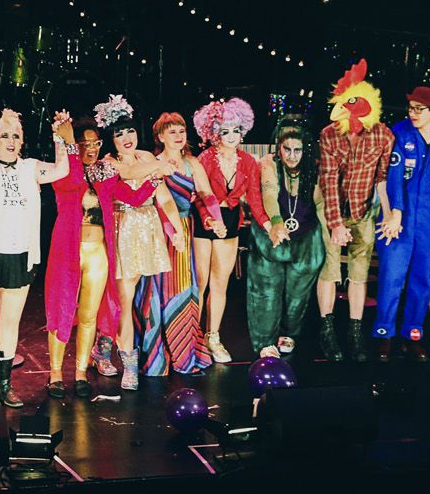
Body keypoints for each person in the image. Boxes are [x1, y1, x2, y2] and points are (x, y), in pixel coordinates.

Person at [0, 88, 73, 408]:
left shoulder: (30, 167)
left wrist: (63, 137)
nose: (10, 140)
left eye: (16, 135)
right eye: (4, 135)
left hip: (19, 256)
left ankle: (2, 386)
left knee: (10, 325)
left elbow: (63, 170)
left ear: (21, 142)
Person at [45, 116, 163, 397]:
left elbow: (131, 197)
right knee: (62, 311)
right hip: (68, 252)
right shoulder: (62, 170)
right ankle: (55, 374)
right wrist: (67, 144)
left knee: (89, 316)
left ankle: (81, 372)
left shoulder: (105, 173)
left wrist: (155, 179)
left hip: (98, 253)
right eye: (84, 144)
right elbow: (73, 179)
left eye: (95, 143)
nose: (90, 149)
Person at [95, 96, 188, 390]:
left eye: (130, 131)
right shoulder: (107, 164)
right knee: (122, 301)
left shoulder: (148, 157)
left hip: (147, 231)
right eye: (118, 133)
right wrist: (158, 170)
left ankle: (104, 347)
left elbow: (163, 198)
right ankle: (128, 363)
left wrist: (177, 229)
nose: (126, 138)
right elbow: (130, 182)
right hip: (122, 232)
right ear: (110, 139)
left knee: (134, 299)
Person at [372, 87, 430, 361]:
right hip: (399, 212)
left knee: (422, 278)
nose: (412, 113)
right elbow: (394, 174)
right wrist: (395, 213)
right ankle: (384, 334)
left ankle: (413, 333)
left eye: (419, 109)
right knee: (391, 276)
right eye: (410, 107)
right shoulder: (399, 132)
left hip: (429, 213)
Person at [317, 60, 396, 362]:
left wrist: (387, 212)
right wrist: (336, 224)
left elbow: (382, 178)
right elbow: (328, 180)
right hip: (332, 205)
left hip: (364, 209)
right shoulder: (329, 135)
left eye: (348, 102)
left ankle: (354, 332)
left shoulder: (383, 135)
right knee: (331, 266)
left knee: (359, 271)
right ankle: (327, 331)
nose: (340, 108)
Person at [190, 97, 270, 363]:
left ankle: (213, 337)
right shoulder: (205, 158)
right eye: (225, 130)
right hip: (205, 221)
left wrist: (269, 223)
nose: (232, 136)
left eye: (236, 130)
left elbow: (255, 198)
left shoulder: (248, 161)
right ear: (214, 133)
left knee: (220, 284)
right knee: (200, 284)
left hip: (231, 221)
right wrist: (210, 219)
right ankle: (192, 338)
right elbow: (200, 196)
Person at [135, 112, 214, 376]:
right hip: (158, 232)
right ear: (160, 137)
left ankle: (184, 353)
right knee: (155, 294)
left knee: (183, 291)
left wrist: (215, 218)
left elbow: (207, 194)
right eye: (172, 132)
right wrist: (173, 230)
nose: (179, 137)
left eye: (181, 131)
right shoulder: (151, 163)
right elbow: (159, 201)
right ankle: (157, 357)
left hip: (184, 231)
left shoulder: (193, 164)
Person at [246, 116, 327, 358]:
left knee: (297, 295)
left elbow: (321, 205)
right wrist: (277, 224)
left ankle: (289, 334)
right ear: (278, 147)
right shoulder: (267, 164)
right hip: (269, 236)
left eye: (297, 150)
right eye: (286, 149)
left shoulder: (315, 167)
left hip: (305, 239)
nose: (292, 155)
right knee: (266, 291)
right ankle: (265, 342)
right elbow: (269, 193)